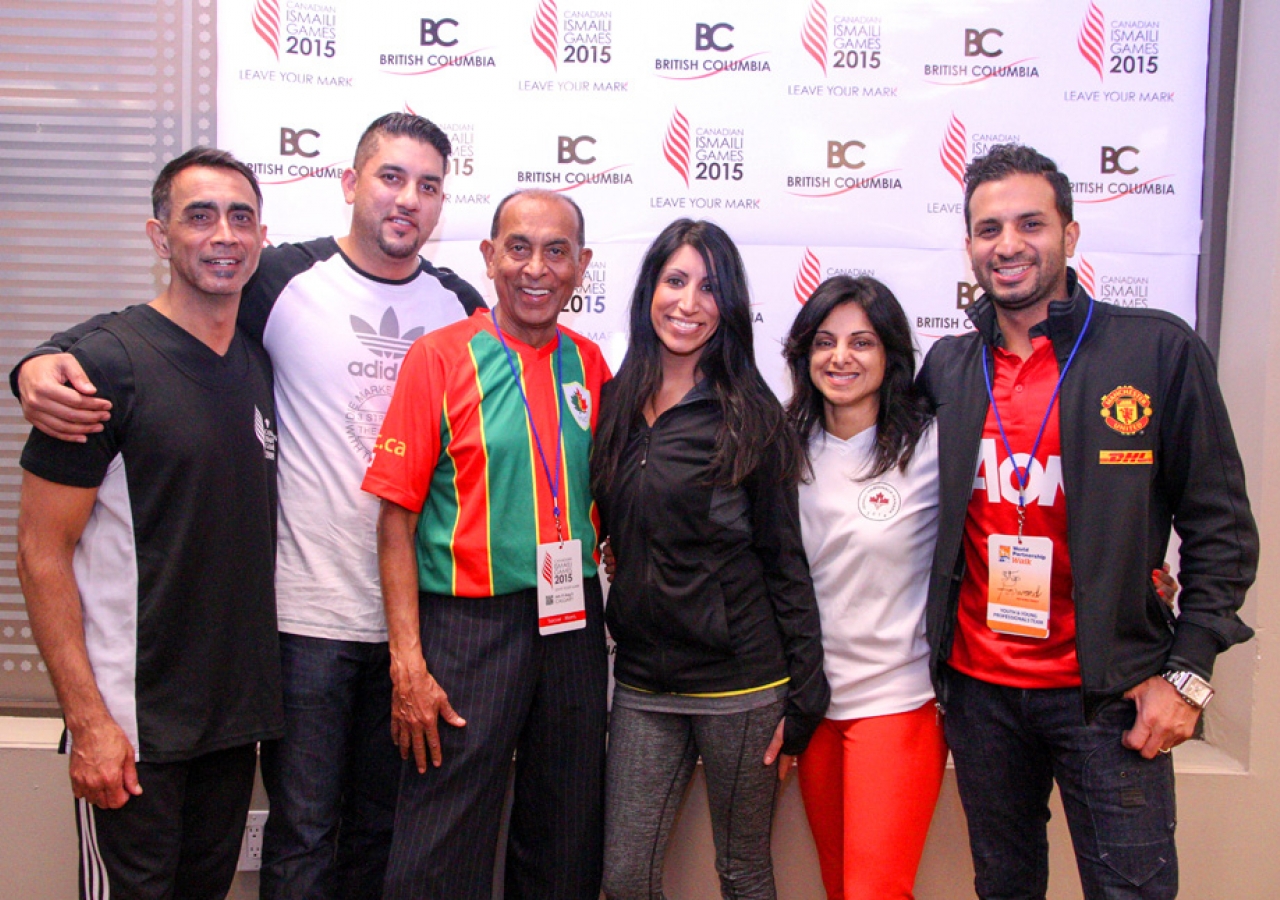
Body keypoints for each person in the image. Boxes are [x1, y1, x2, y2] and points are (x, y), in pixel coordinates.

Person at [11, 112, 486, 900]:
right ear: (349, 183)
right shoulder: (278, 277)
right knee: (299, 838)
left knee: (381, 834)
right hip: (298, 630)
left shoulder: (460, 307)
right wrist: (37, 360)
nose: (407, 198)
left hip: (411, 627)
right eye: (390, 177)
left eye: (428, 184)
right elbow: (151, 329)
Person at [918, 143, 1257, 899]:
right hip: (980, 694)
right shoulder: (946, 367)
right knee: (1004, 887)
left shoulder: (1155, 350)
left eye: (1030, 223)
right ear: (969, 245)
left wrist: (1189, 677)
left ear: (1070, 235)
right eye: (988, 228)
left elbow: (1223, 531)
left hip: (1110, 696)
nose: (1007, 245)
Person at [15, 148, 282, 900]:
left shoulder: (257, 364)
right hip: (133, 728)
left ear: (261, 236)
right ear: (159, 236)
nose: (223, 234)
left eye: (239, 217)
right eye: (199, 216)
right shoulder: (102, 364)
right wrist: (89, 722)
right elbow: (40, 553)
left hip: (230, 724)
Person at [361, 188, 609, 900]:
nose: (537, 268)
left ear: (581, 265)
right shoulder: (439, 359)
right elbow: (394, 521)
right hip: (469, 628)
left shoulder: (591, 364)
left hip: (572, 621)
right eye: (519, 248)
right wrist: (407, 663)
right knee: (443, 834)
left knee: (566, 826)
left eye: (557, 251)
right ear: (489, 257)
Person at [590, 219, 829, 900]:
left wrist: (806, 693)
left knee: (743, 870)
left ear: (728, 307)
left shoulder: (751, 415)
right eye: (675, 280)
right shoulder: (612, 404)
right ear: (649, 291)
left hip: (742, 687)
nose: (688, 302)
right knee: (625, 877)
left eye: (709, 287)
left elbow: (784, 561)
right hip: (641, 684)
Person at [783, 275, 948, 900]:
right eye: (825, 342)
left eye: (862, 343)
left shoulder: (932, 448)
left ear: (891, 356)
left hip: (896, 702)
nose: (841, 358)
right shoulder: (783, 448)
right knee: (837, 886)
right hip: (812, 708)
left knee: (875, 889)